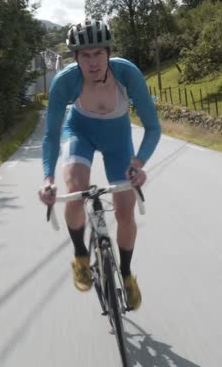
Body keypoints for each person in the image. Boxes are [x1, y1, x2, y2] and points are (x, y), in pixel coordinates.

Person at [38, 18, 160, 310]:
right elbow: (51, 135)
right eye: (85, 55)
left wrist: (139, 163)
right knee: (76, 191)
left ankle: (127, 275)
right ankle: (81, 255)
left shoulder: (127, 74)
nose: (92, 63)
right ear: (76, 58)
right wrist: (47, 179)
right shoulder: (65, 81)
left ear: (108, 52)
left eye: (98, 54)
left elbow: (153, 128)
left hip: (118, 139)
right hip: (79, 132)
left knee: (125, 212)